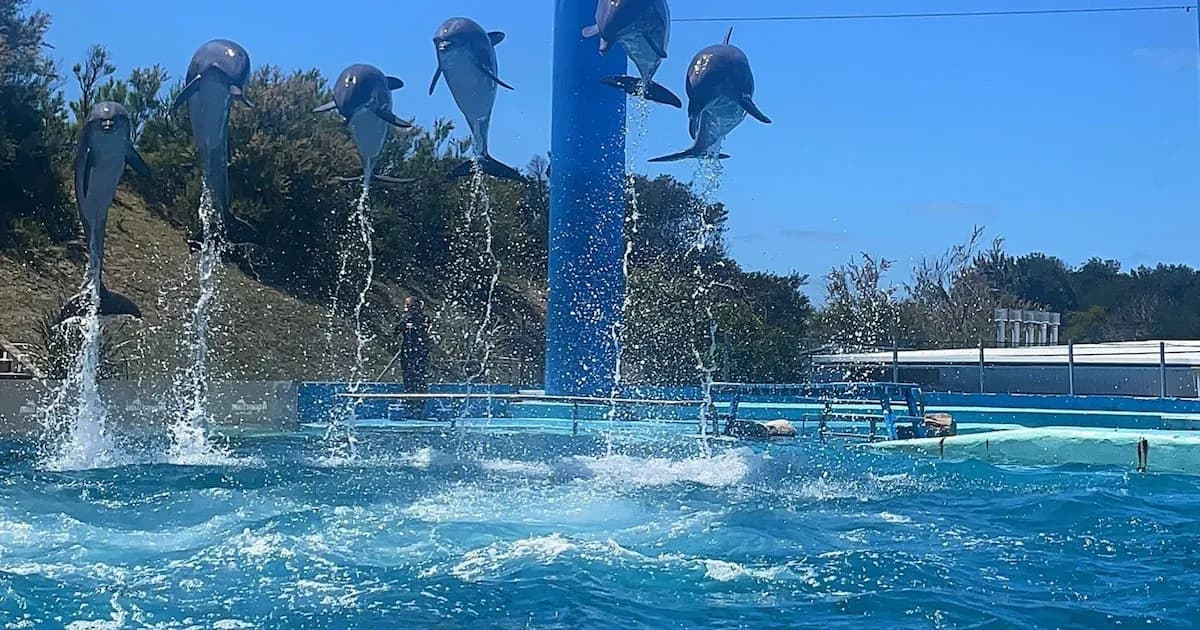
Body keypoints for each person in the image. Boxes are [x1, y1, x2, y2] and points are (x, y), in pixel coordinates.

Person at [395, 297, 431, 419]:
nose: (408, 308)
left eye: (411, 306)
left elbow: (425, 332)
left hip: (420, 352)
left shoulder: (424, 318)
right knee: (408, 378)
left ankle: (421, 405)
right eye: (407, 306)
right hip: (407, 353)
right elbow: (395, 332)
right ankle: (409, 404)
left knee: (420, 377)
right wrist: (404, 322)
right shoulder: (405, 319)